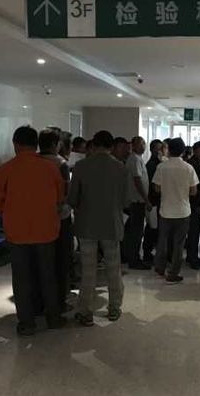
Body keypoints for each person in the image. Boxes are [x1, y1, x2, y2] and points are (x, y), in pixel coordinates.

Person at [0, 126, 66, 336]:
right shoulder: (51, 168)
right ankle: (53, 318)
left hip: (17, 233)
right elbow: (60, 198)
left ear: (15, 144)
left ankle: (27, 322)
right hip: (46, 231)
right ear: (35, 145)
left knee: (22, 278)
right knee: (48, 276)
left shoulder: (4, 170)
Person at [68, 130, 128, 326]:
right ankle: (114, 308)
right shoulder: (120, 167)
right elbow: (125, 199)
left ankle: (85, 311)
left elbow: (72, 198)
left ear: (93, 145)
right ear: (111, 146)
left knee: (88, 270)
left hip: (86, 225)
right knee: (113, 268)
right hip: (111, 224)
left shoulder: (81, 166)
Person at [152, 137, 199, 282]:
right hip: (183, 211)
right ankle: (173, 273)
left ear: (169, 150)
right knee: (179, 244)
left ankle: (160, 268)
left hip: (165, 210)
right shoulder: (188, 168)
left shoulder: (162, 167)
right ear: (183, 151)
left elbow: (157, 188)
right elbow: (194, 191)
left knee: (162, 241)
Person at [38, 129, 73, 312]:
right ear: (55, 144)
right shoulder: (61, 164)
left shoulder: (34, 161)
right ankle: (59, 301)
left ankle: (40, 300)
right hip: (60, 217)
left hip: (38, 217)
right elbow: (66, 193)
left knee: (41, 261)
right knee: (61, 260)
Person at [123, 136, 152, 270]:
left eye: (144, 143)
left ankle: (132, 257)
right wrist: (146, 199)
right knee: (136, 232)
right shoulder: (134, 159)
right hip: (136, 201)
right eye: (140, 144)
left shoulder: (138, 159)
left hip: (138, 201)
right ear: (133, 146)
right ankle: (134, 259)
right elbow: (137, 180)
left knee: (135, 231)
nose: (143, 146)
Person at [186, 141, 200, 269]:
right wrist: (197, 205)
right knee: (193, 232)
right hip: (193, 203)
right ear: (195, 150)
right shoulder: (192, 164)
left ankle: (192, 256)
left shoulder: (199, 163)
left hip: (196, 203)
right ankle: (192, 258)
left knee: (195, 231)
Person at [142, 139, 164, 264]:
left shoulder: (159, 164)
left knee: (155, 229)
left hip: (157, 202)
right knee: (152, 229)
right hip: (153, 202)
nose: (160, 151)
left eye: (161, 149)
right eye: (158, 149)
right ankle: (147, 253)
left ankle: (149, 252)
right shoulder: (152, 165)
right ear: (152, 150)